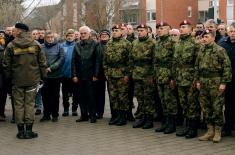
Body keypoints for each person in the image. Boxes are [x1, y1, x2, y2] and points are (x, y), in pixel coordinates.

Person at [3, 22, 47, 139]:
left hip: (17, 81)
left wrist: (9, 79)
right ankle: (29, 131)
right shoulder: (36, 44)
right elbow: (42, 63)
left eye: (15, 30)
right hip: (33, 80)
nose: (14, 32)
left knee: (18, 105)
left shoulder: (11, 45)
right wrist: (43, 77)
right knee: (29, 104)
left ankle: (20, 131)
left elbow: (6, 65)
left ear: (19, 31)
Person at [195, 30, 232, 143]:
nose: (204, 39)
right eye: (203, 37)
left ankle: (218, 131)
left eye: (207, 37)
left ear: (213, 37)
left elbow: (227, 67)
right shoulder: (201, 50)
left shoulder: (220, 50)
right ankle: (209, 131)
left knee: (216, 107)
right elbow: (197, 66)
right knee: (206, 107)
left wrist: (223, 83)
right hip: (204, 82)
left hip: (216, 82)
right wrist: (197, 81)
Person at [173, 20, 201, 138]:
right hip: (180, 78)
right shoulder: (178, 43)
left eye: (184, 27)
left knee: (192, 104)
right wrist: (174, 77)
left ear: (190, 29)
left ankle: (193, 129)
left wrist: (196, 80)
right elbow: (175, 62)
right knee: (184, 103)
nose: (182, 29)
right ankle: (187, 126)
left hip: (190, 79)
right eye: (181, 27)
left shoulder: (195, 43)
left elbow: (198, 63)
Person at [72, 26, 101, 123]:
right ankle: (83, 115)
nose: (83, 35)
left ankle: (93, 115)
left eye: (85, 33)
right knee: (81, 96)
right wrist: (74, 75)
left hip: (91, 74)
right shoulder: (77, 45)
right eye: (81, 33)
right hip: (80, 75)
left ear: (89, 34)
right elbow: (74, 61)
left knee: (91, 96)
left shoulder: (95, 44)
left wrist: (96, 75)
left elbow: (98, 61)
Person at [103, 25, 131, 126]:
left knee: (122, 96)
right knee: (113, 96)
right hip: (111, 74)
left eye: (117, 30)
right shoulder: (109, 43)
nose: (114, 32)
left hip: (121, 74)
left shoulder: (126, 44)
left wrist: (127, 74)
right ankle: (116, 116)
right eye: (113, 30)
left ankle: (123, 117)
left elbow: (129, 60)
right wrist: (106, 72)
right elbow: (105, 60)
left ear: (121, 32)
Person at [154, 22, 177, 134]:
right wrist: (155, 74)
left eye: (162, 28)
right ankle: (165, 122)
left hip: (168, 75)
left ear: (168, 29)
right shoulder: (157, 42)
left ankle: (172, 124)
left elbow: (175, 61)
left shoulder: (173, 42)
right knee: (162, 100)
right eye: (158, 28)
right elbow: (155, 61)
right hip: (159, 75)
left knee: (170, 100)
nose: (159, 30)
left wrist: (173, 78)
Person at [131, 24, 156, 129]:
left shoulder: (152, 43)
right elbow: (131, 59)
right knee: (140, 98)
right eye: (138, 30)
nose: (140, 32)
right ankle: (142, 118)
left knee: (148, 97)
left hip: (147, 75)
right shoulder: (134, 42)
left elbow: (155, 61)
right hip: (137, 74)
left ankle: (149, 119)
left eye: (142, 30)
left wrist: (153, 75)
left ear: (147, 31)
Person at [40, 30, 65, 122]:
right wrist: (45, 67)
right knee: (45, 96)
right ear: (45, 38)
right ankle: (46, 114)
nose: (50, 39)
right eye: (48, 37)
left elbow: (62, 59)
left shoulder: (59, 46)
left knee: (55, 96)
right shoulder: (41, 47)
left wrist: (52, 67)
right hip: (45, 76)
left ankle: (55, 114)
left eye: (51, 37)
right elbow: (39, 58)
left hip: (56, 75)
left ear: (54, 38)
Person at [218, 23, 235, 137]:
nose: (233, 34)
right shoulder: (222, 44)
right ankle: (228, 127)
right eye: (231, 31)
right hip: (227, 79)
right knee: (228, 105)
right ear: (228, 32)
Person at [61, 29, 79, 117]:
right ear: (66, 36)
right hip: (64, 74)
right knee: (65, 94)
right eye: (68, 35)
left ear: (74, 36)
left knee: (76, 93)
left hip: (74, 74)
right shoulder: (61, 46)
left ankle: (74, 109)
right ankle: (66, 109)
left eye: (71, 35)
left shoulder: (77, 46)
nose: (69, 37)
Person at [95, 29, 111, 119]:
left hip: (110, 72)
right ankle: (99, 112)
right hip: (99, 72)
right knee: (99, 93)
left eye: (106, 35)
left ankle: (114, 113)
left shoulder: (112, 45)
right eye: (102, 35)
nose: (104, 36)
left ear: (109, 36)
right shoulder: (96, 45)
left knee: (111, 93)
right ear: (99, 37)